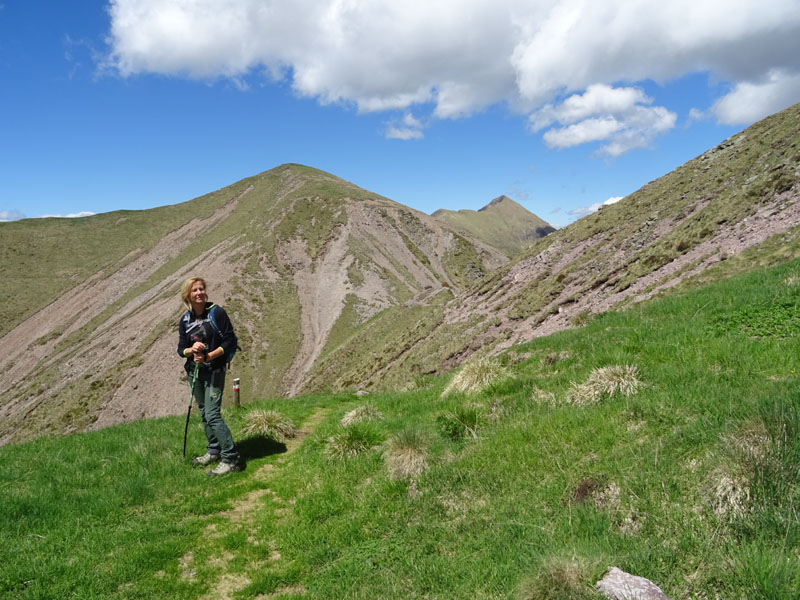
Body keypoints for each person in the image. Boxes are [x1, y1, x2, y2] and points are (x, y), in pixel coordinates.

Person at [177, 276, 241, 476]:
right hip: (194, 372)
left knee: (213, 414)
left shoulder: (217, 313)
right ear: (187, 295)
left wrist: (210, 355)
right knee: (204, 411)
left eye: (201, 289)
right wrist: (191, 350)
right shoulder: (185, 320)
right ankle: (214, 450)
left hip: (215, 371)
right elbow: (180, 349)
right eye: (194, 290)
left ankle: (231, 458)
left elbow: (230, 340)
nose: (199, 293)